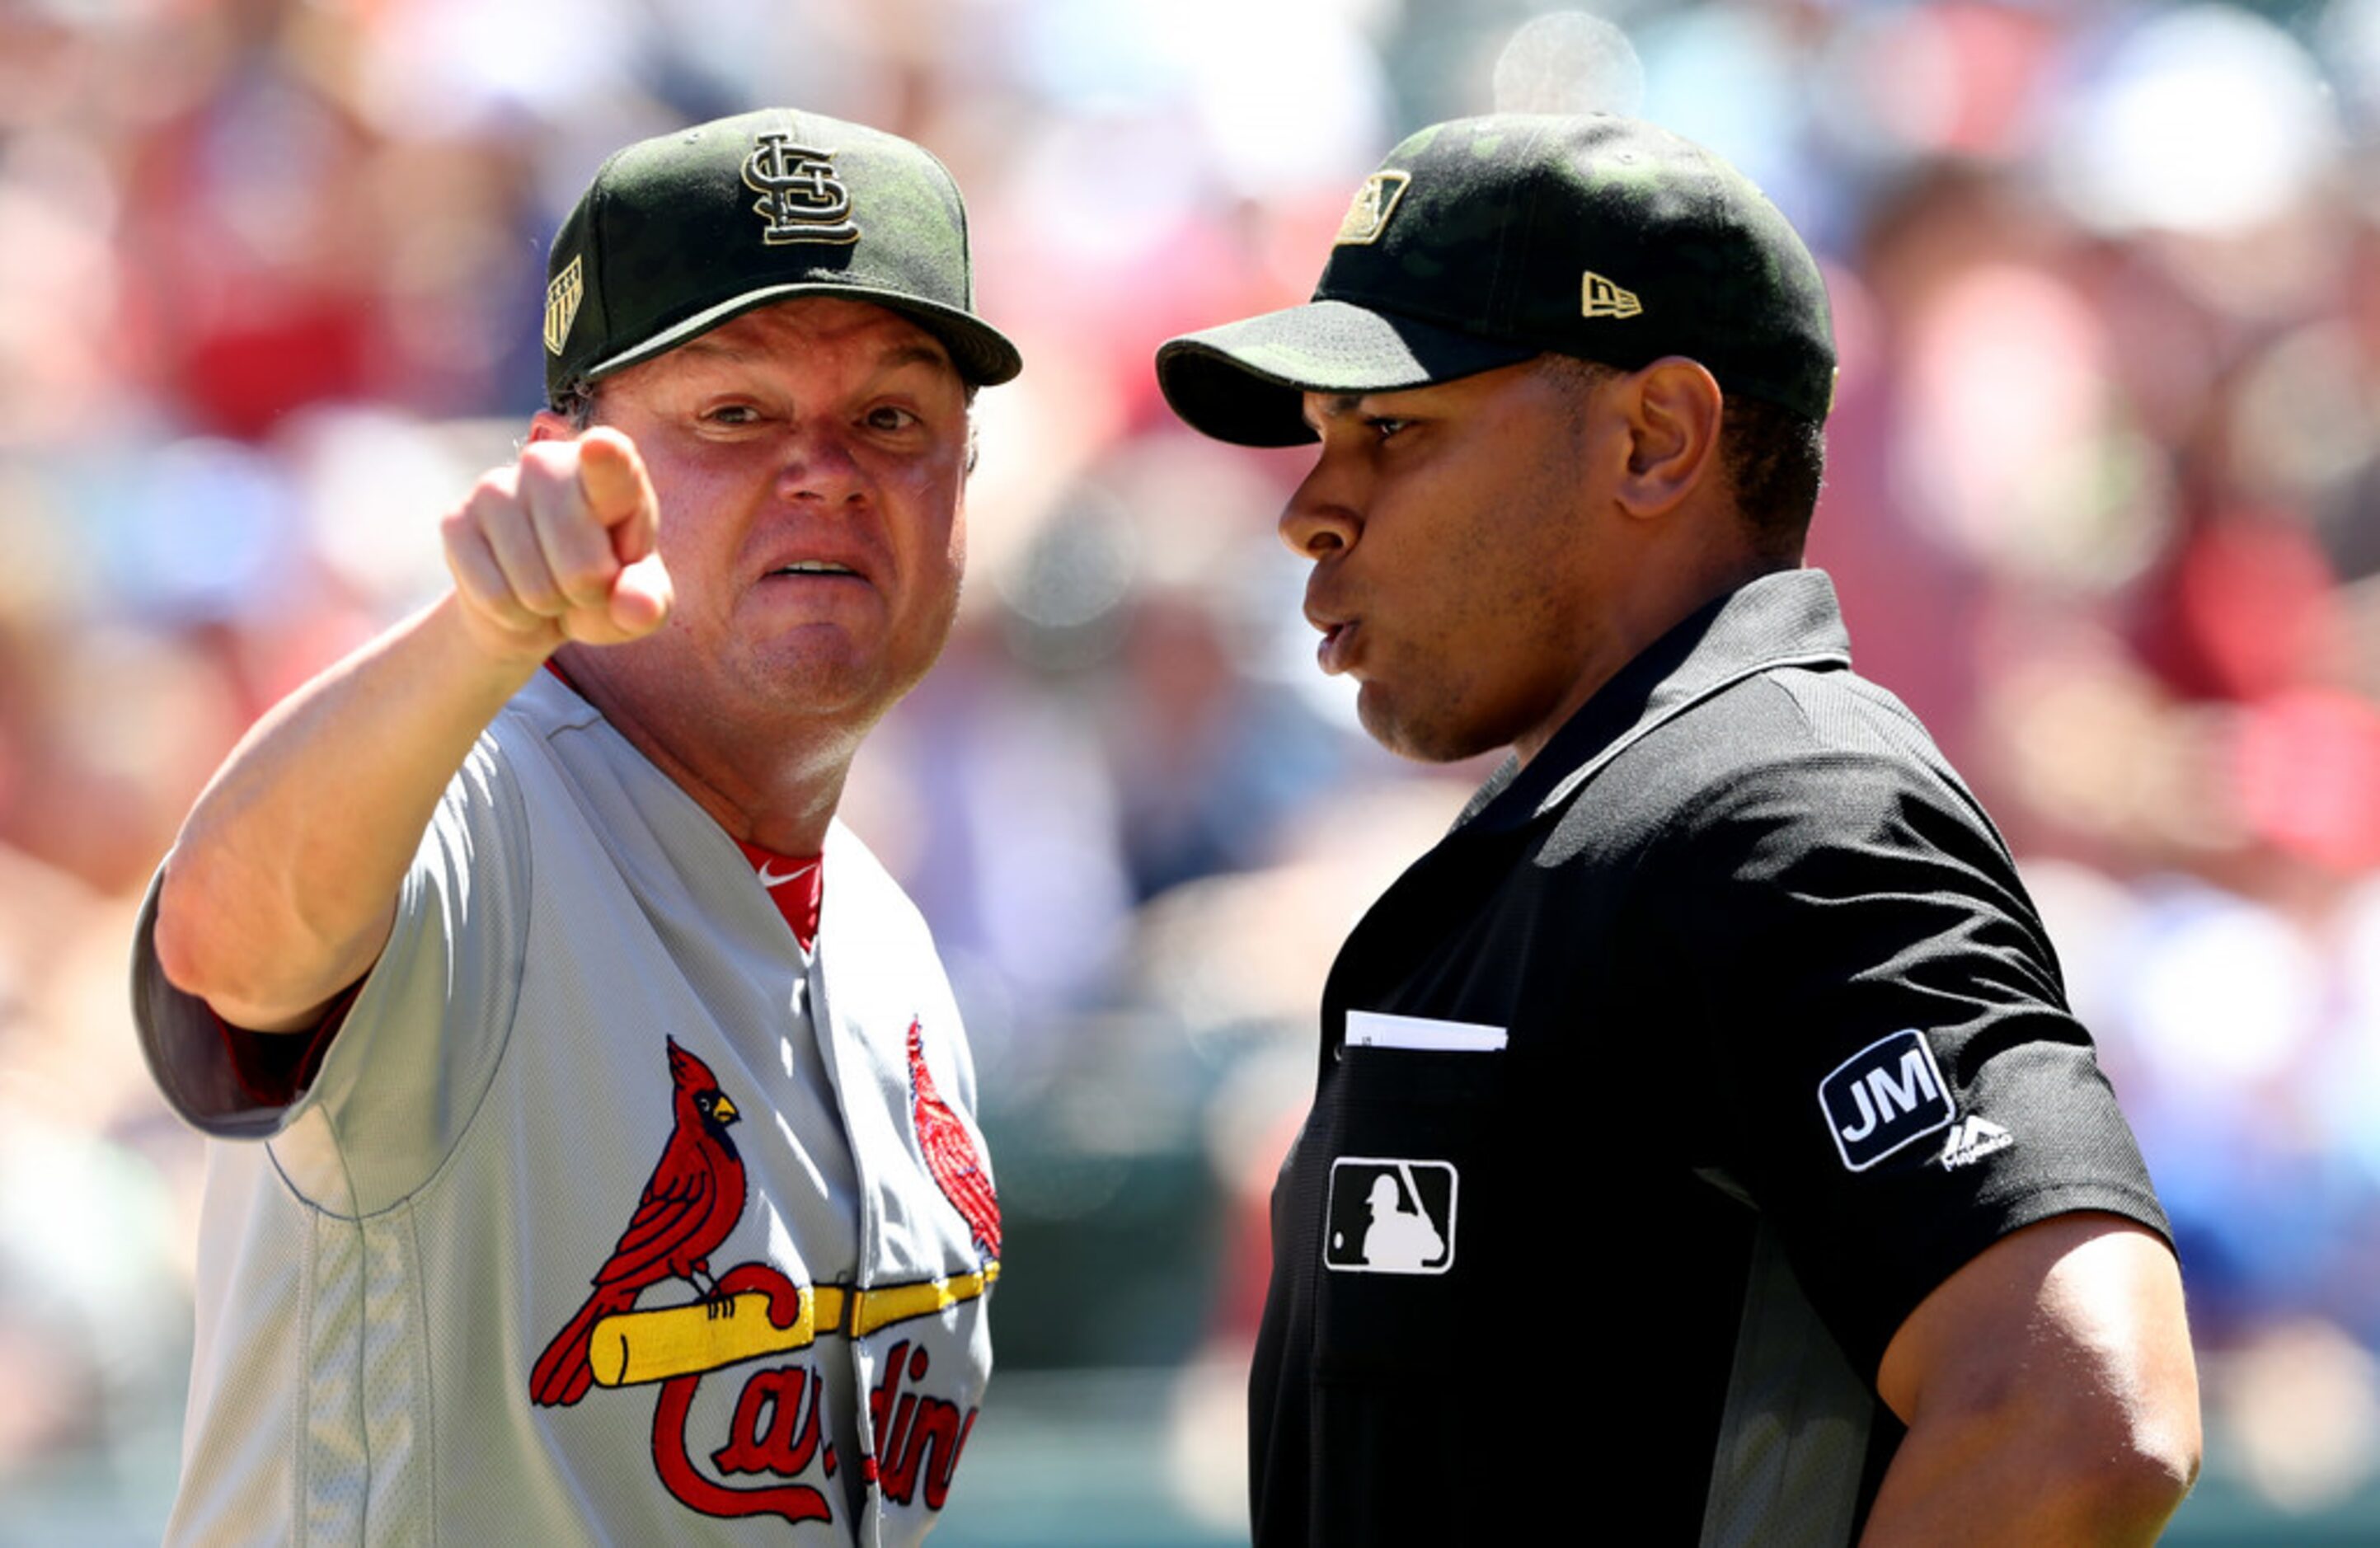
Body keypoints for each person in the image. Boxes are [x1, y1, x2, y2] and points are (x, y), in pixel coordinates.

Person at [1155, 113, 2201, 1546]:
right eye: (1328, 435)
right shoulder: (1612, 813)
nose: (1311, 509)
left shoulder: (1784, 806)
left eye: (1393, 427)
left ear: (1656, 438)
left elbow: (2084, 1410)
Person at [134, 107, 1012, 1546]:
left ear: (962, 479)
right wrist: (473, 635)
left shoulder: (888, 940)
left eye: (893, 418)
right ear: (570, 459)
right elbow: (226, 949)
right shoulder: (473, 811)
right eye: (734, 413)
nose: (828, 467)